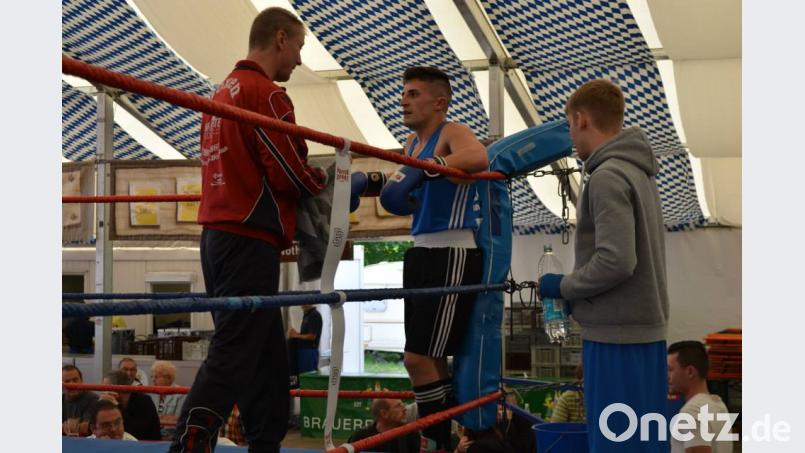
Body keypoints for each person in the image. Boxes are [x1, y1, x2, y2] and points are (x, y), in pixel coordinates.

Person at [170, 7, 326, 453]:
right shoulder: (266, 94)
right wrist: (328, 185)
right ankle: (189, 444)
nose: (298, 59)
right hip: (247, 236)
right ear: (280, 39)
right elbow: (286, 171)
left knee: (264, 346)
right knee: (237, 345)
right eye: (298, 47)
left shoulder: (223, 92)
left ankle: (265, 441)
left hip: (219, 234)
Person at [536, 79, 669, 452]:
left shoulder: (608, 175)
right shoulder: (638, 172)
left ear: (579, 119)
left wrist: (561, 286)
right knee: (643, 443)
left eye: (569, 127)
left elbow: (617, 260)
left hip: (618, 337)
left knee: (618, 446)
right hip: (640, 333)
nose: (571, 139)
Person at [378, 66, 488, 453]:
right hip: (421, 250)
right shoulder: (410, 143)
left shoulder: (451, 133)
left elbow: (478, 155)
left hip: (452, 251)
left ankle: (437, 440)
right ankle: (450, 437)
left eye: (413, 93)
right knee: (432, 358)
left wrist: (436, 167)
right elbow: (403, 192)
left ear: (439, 101)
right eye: (404, 93)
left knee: (416, 358)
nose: (404, 100)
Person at [668, 341, 734, 453]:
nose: (667, 376)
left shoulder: (692, 411)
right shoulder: (718, 405)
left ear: (690, 372)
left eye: (670, 370)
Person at [99, 370, 161, 441]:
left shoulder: (144, 401)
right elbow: (94, 429)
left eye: (106, 388)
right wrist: (100, 406)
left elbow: (134, 433)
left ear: (117, 389)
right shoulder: (108, 401)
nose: (104, 392)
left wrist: (117, 406)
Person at [347, 399, 419, 453]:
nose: (405, 408)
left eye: (403, 404)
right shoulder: (360, 436)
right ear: (384, 413)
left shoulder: (410, 435)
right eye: (399, 405)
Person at [149, 360, 187, 439]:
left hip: (172, 437)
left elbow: (177, 421)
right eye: (152, 376)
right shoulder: (151, 393)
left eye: (156, 377)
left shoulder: (181, 394)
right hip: (152, 434)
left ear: (168, 378)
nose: (153, 380)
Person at [62, 364, 98, 437]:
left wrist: (65, 427)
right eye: (67, 381)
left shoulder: (93, 399)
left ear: (81, 380)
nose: (72, 384)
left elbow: (86, 429)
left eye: (75, 380)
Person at [287, 304, 323, 376]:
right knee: (302, 377)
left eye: (305, 303)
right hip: (302, 351)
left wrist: (296, 335)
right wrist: (296, 334)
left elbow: (312, 336)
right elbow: (305, 334)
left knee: (308, 378)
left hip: (309, 351)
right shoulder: (306, 315)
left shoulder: (314, 315)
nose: (303, 306)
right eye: (302, 304)